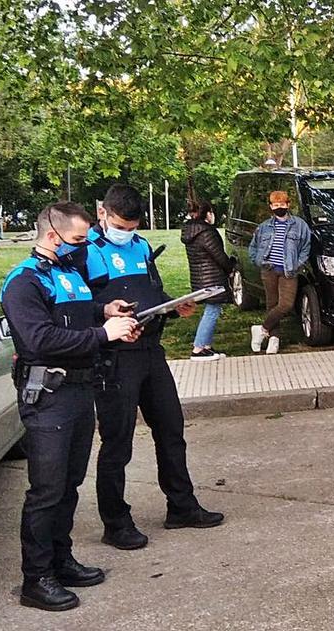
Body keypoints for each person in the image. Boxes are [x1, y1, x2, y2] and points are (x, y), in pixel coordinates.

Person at [0, 201, 140, 611]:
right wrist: (104, 334)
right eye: (78, 239)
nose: (83, 246)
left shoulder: (67, 272)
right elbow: (40, 339)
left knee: (69, 484)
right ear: (52, 235)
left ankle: (61, 561)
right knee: (46, 490)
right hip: (48, 397)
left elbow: (76, 315)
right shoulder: (24, 281)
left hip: (80, 391)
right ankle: (36, 578)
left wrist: (104, 312)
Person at [85, 184, 224, 552]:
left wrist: (173, 305)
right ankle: (116, 523)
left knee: (171, 428)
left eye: (132, 228)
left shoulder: (142, 246)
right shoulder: (86, 251)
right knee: (118, 441)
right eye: (120, 226)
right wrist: (106, 317)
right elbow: (82, 306)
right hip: (115, 356)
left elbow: (152, 291)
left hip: (150, 350)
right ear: (102, 213)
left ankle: (182, 506)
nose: (126, 233)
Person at [248, 190, 312, 354]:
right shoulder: (264, 227)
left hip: (289, 270)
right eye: (275, 205)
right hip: (269, 270)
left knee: (286, 304)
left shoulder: (300, 225)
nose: (279, 207)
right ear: (271, 206)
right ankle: (274, 339)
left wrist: (297, 264)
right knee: (272, 304)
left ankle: (261, 329)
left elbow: (305, 247)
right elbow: (253, 247)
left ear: (288, 205)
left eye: (282, 204)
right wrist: (258, 261)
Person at [181, 199, 234, 361]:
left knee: (212, 309)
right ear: (208, 214)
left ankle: (206, 346)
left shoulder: (190, 232)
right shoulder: (207, 233)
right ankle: (198, 348)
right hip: (212, 278)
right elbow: (219, 256)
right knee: (212, 311)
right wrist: (231, 267)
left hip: (199, 277)